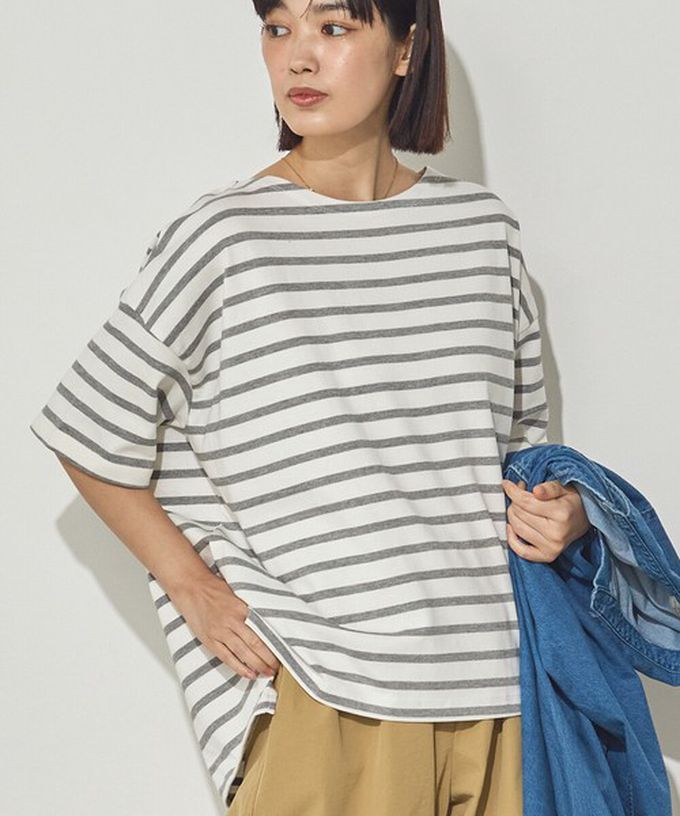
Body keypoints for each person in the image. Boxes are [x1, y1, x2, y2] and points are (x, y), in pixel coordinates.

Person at [29, 0, 589, 813]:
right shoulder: (226, 236)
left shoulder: (482, 232)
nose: (297, 57)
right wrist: (191, 585)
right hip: (328, 691)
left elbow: (518, 455)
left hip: (503, 690)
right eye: (277, 28)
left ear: (407, 49)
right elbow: (86, 426)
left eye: (333, 28)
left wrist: (563, 512)